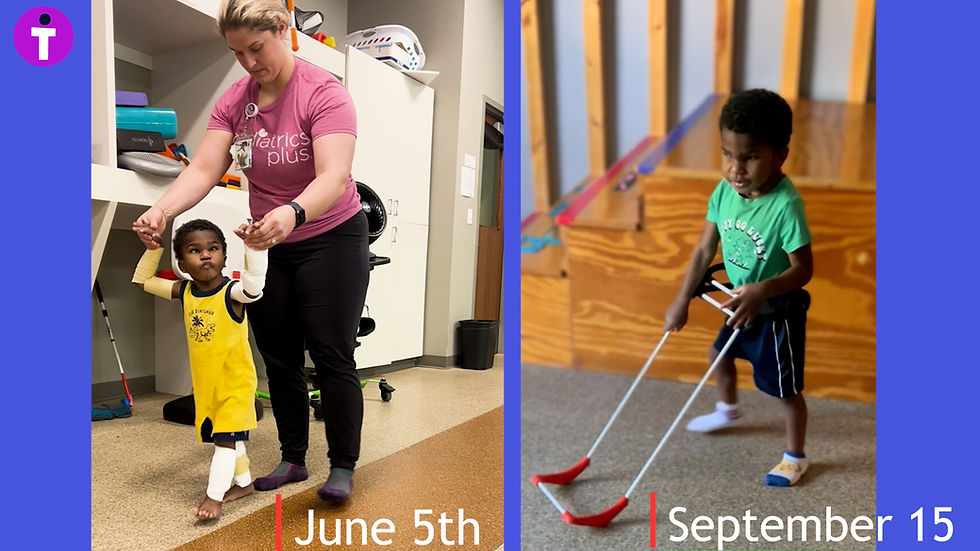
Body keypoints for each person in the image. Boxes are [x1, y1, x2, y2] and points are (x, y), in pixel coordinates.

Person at [132, 0, 370, 503]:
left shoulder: (325, 93)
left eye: (256, 48)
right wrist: (161, 210)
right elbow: (203, 168)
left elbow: (333, 175)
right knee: (278, 355)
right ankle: (293, 459)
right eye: (237, 52)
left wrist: (293, 213)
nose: (248, 62)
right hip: (269, 244)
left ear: (282, 29)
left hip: (330, 235)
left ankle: (342, 465)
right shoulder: (235, 100)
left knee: (331, 353)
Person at [664, 88, 814, 487]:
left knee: (785, 390)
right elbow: (703, 249)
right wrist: (681, 300)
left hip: (775, 312)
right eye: (727, 154)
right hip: (739, 302)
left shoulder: (785, 206)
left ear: (780, 154)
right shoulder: (724, 191)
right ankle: (728, 410)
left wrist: (762, 290)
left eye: (749, 157)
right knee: (719, 355)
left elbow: (804, 270)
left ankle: (795, 457)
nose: (736, 169)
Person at [131, 219, 267, 519]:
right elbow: (142, 282)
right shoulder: (185, 291)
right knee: (229, 436)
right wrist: (153, 250)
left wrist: (254, 249)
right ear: (181, 264)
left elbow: (254, 288)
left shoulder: (232, 293)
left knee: (224, 440)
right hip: (207, 386)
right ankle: (244, 483)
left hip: (235, 384)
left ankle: (213, 497)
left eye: (213, 249)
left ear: (224, 257)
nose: (205, 255)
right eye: (195, 250)